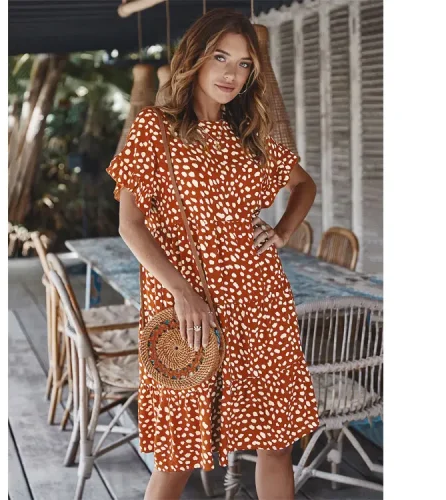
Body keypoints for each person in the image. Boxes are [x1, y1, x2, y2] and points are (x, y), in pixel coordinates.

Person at [106, 8, 320, 500]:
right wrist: (183, 294)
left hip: (260, 304)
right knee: (179, 453)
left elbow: (304, 185)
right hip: (187, 311)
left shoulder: (250, 135)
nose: (231, 73)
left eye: (245, 64)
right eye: (221, 57)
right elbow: (129, 225)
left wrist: (282, 232)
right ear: (195, 58)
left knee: (276, 442)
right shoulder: (154, 128)